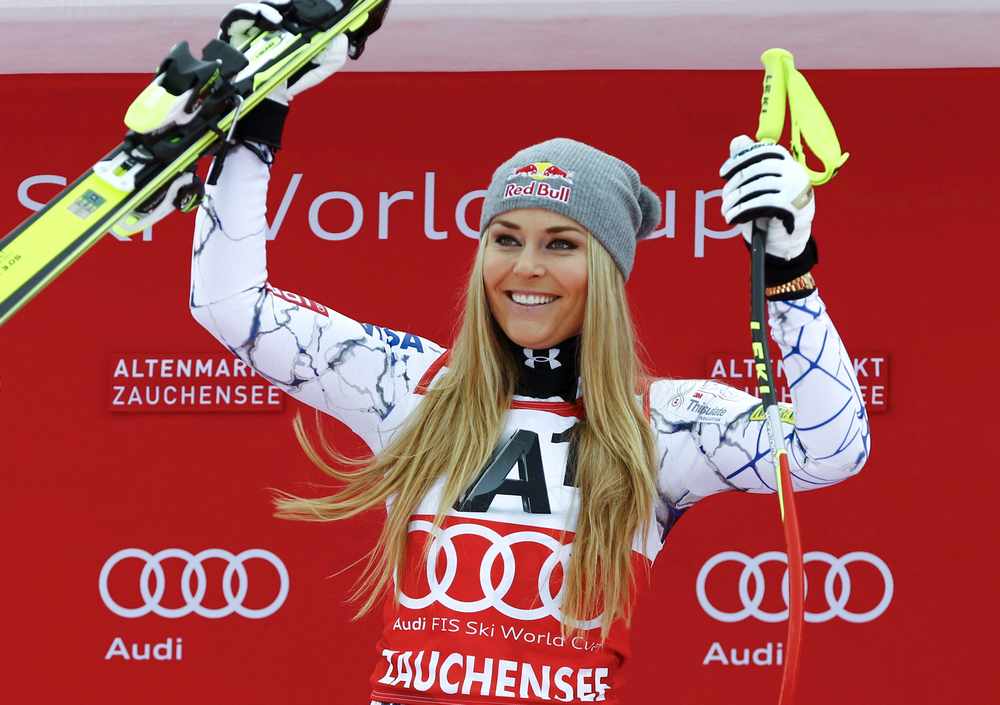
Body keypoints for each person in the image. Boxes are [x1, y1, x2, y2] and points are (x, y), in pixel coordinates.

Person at [190, 8, 870, 704]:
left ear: (607, 270)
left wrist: (789, 268)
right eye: (506, 238)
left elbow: (832, 447)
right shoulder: (410, 383)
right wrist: (259, 117)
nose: (526, 267)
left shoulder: (663, 425)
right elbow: (231, 305)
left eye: (561, 243)